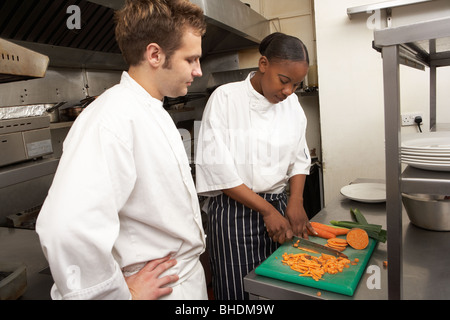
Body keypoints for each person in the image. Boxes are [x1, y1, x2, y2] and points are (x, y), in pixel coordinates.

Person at [36, 0, 208, 300]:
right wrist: (118, 295)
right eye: (191, 59)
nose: (199, 71)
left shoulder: (150, 107)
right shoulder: (110, 118)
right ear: (155, 54)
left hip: (181, 281)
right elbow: (66, 228)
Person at [195, 32, 317, 300]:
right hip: (233, 212)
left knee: (281, 285)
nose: (288, 92)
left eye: (296, 85)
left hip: (279, 206)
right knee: (239, 291)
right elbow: (219, 170)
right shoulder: (225, 98)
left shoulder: (292, 104)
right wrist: (266, 210)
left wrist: (295, 200)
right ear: (264, 65)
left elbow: (299, 155)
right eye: (284, 81)